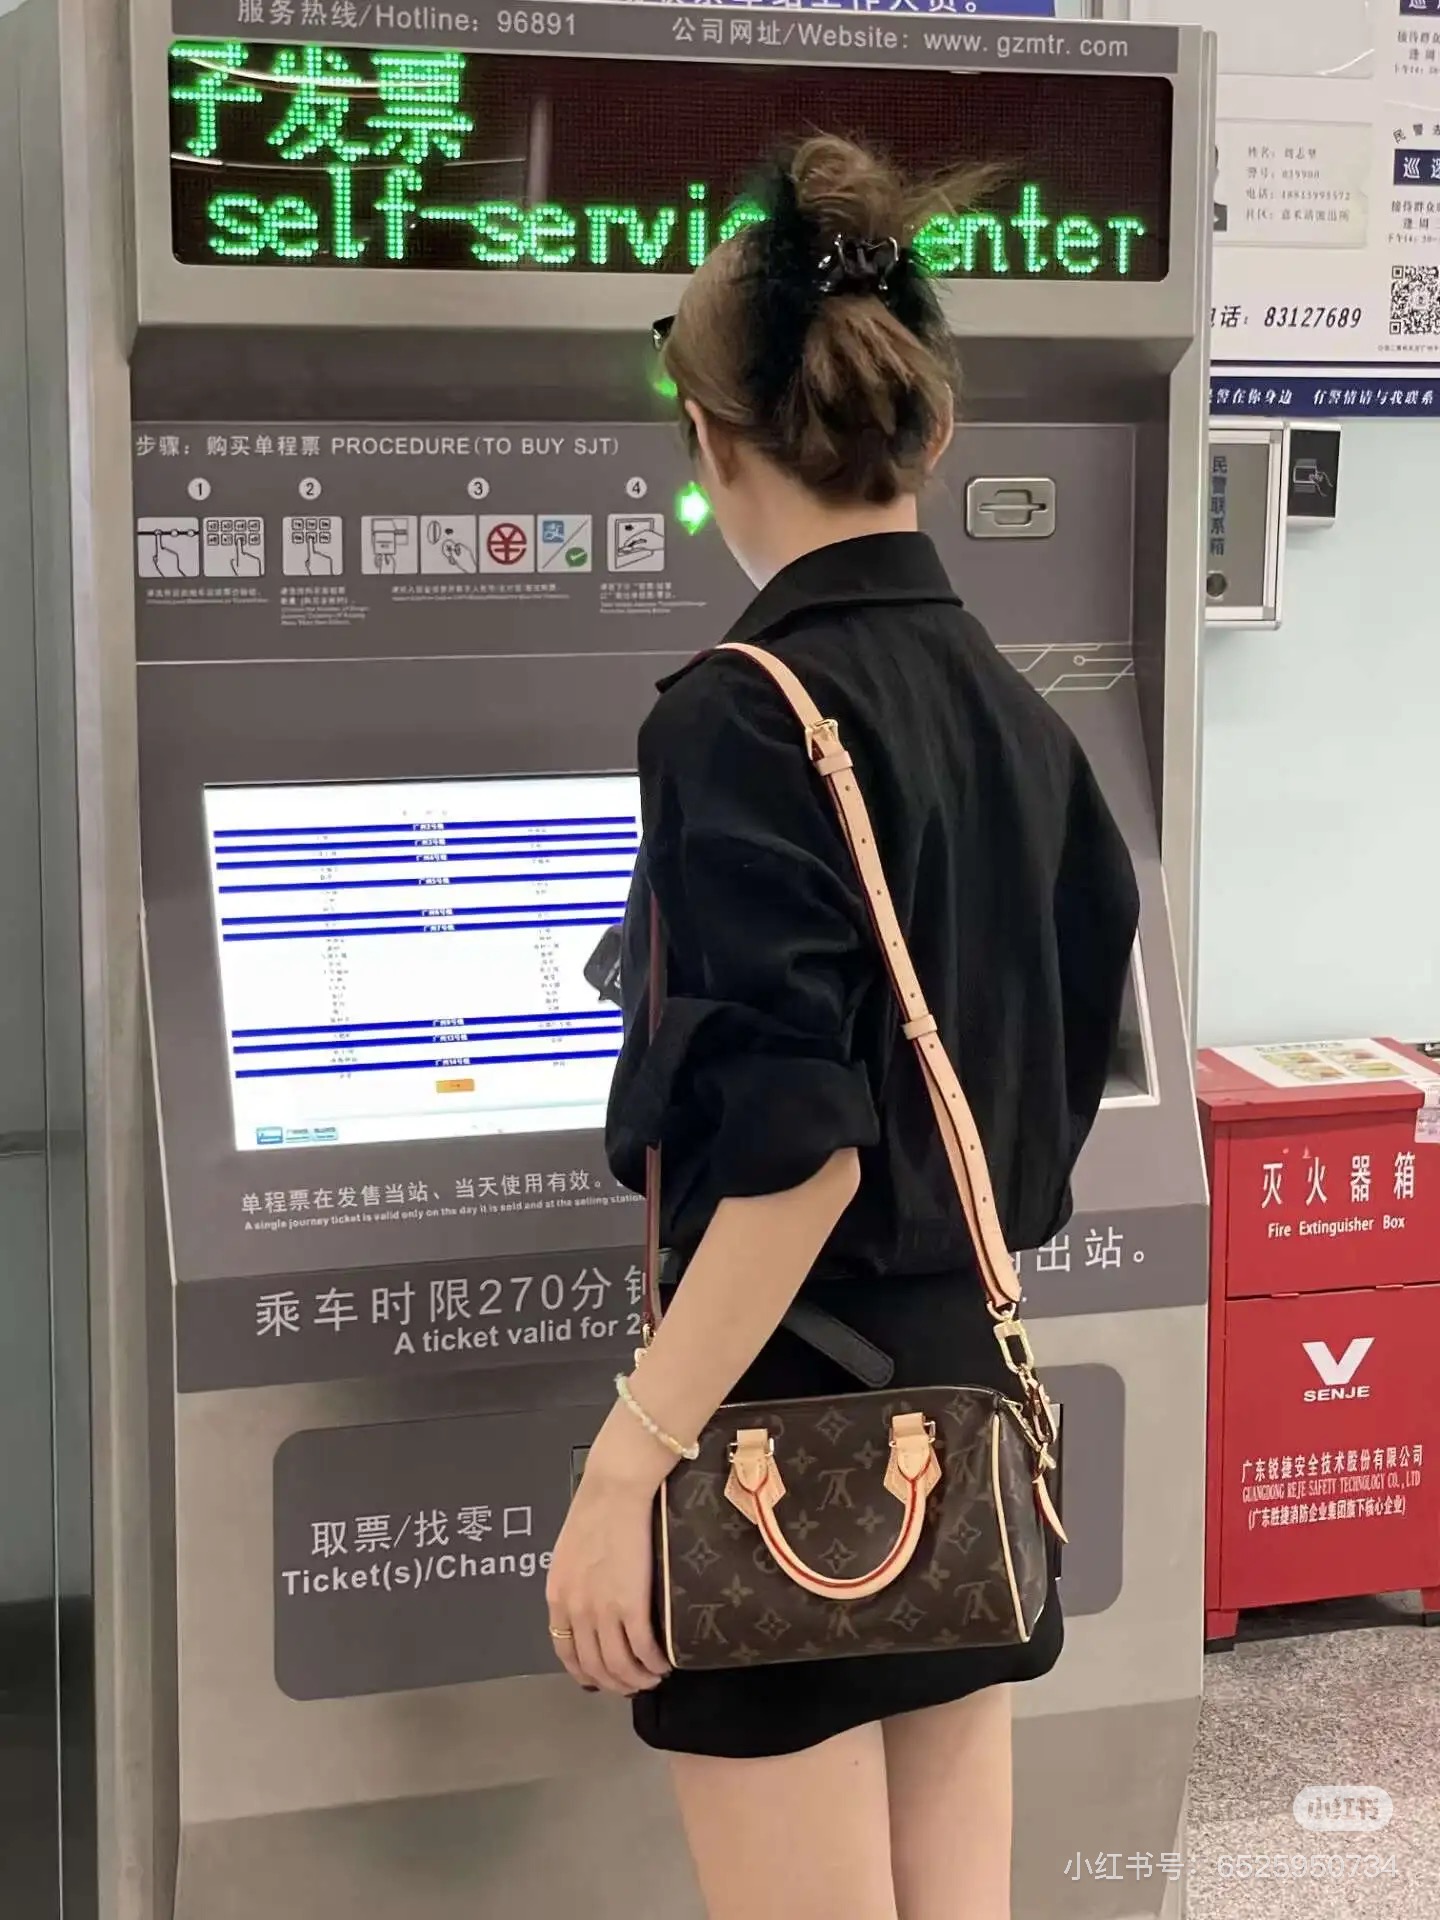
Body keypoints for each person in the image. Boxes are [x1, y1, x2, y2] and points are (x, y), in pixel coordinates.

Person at [545, 135, 1140, 1920]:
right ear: (929, 433)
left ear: (710, 440)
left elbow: (797, 1158)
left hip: (776, 1421)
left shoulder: (736, 716)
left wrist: (623, 1465)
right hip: (963, 1395)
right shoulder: (1025, 719)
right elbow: (1049, 1078)